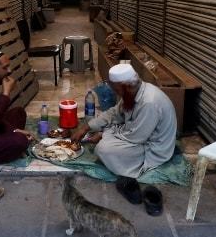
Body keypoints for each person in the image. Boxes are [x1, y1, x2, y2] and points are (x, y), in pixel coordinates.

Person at [71, 63, 177, 203]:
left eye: (116, 90)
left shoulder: (149, 102)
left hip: (153, 149)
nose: (116, 93)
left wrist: (104, 134)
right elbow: (115, 113)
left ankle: (132, 173)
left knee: (104, 149)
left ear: (125, 86)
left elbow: (136, 137)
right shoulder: (132, 92)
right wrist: (86, 127)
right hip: (139, 136)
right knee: (107, 136)